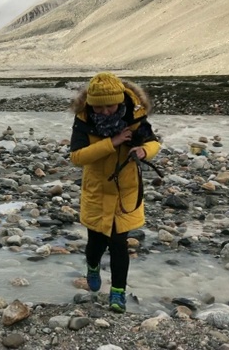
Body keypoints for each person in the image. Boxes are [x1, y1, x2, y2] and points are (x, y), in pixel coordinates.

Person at [69, 72, 160, 313]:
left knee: (119, 243)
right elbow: (77, 157)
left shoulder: (135, 117)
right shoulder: (83, 120)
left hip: (125, 192)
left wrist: (144, 151)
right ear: (91, 104)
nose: (106, 111)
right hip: (97, 192)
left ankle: (118, 292)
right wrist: (113, 142)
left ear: (120, 101)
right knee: (96, 243)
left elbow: (153, 142)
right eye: (99, 107)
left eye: (110, 106)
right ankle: (92, 266)